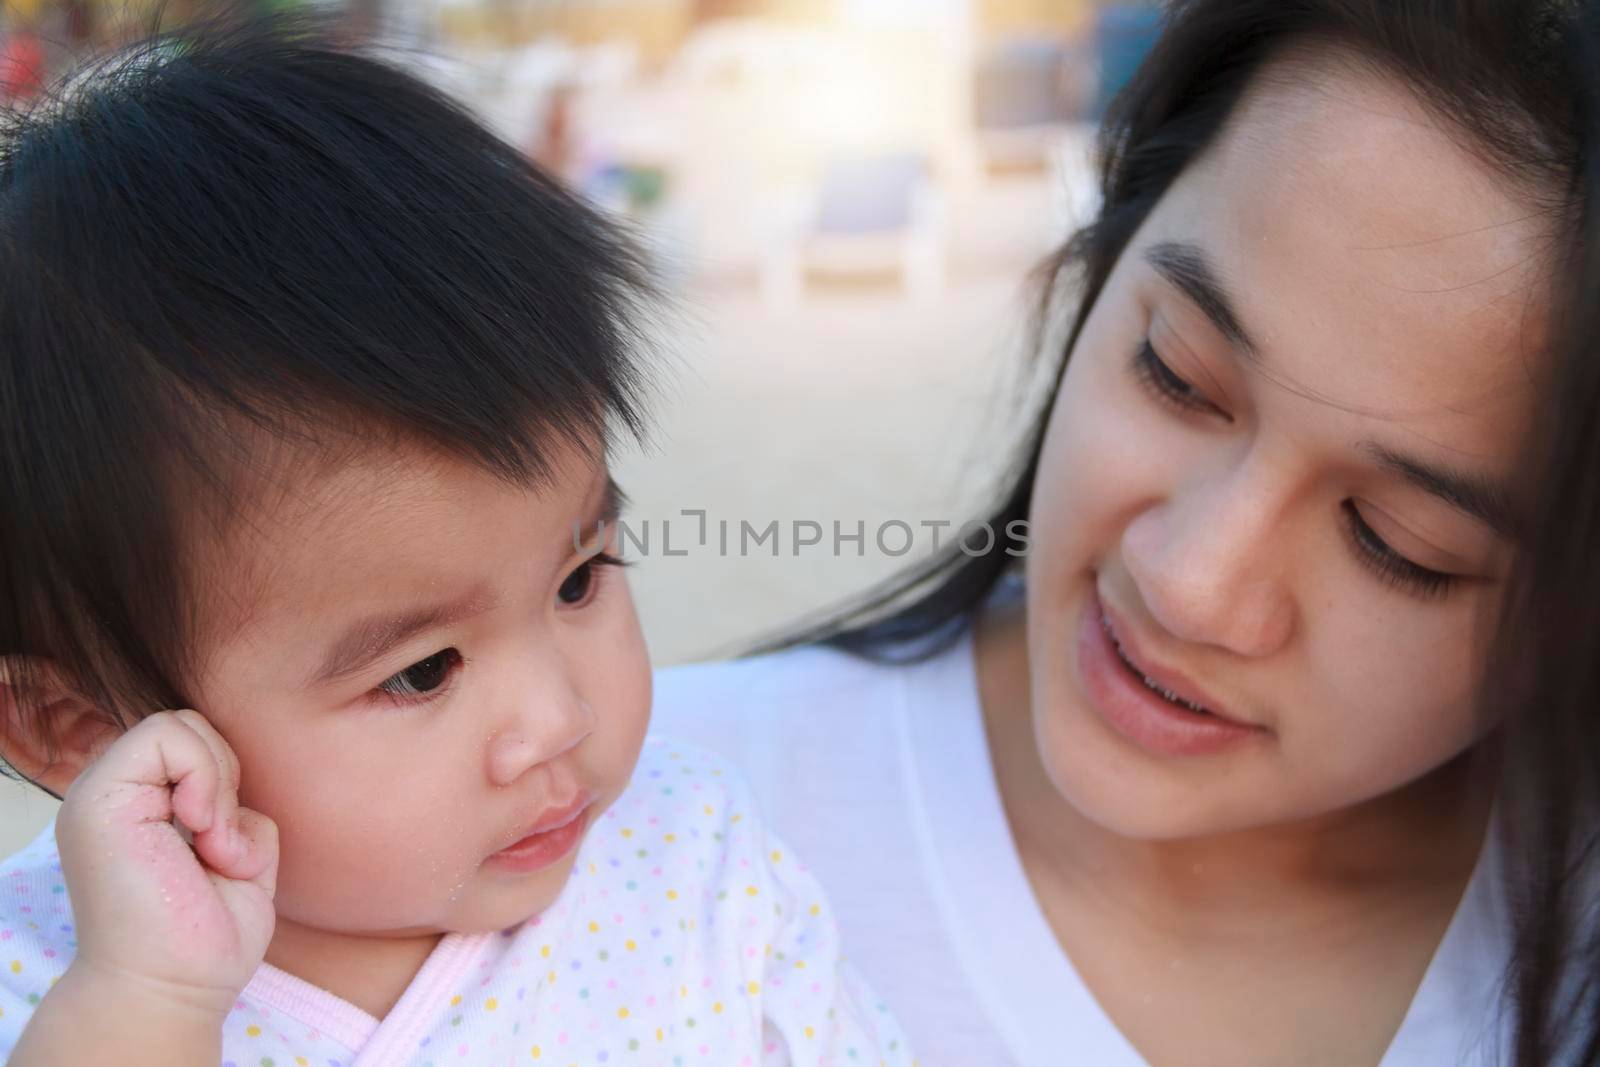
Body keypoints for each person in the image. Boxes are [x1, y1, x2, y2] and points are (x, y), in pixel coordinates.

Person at [653, 1, 1600, 1063]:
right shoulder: (650, 827)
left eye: (1398, 541)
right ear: (1101, 259)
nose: (1189, 582)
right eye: (1174, 373)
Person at [0, 18, 911, 1067]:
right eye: (422, 670)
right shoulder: (55, 997)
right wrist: (148, 999)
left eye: (579, 577)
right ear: (80, 724)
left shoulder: (691, 864)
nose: (559, 718)